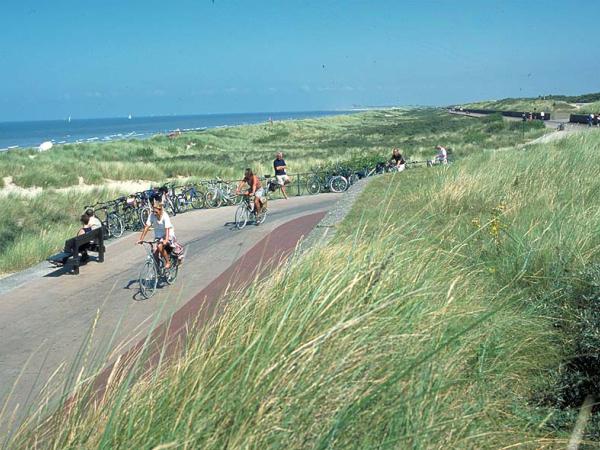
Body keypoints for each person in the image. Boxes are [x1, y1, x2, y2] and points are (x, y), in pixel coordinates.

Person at [137, 203, 175, 270]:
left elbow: (167, 228)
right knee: (154, 252)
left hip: (168, 234)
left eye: (156, 212)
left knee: (160, 246)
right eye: (153, 211)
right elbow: (147, 227)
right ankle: (157, 270)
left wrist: (166, 240)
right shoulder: (152, 215)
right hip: (158, 236)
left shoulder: (165, 216)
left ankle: (168, 262)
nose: (154, 213)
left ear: (160, 210)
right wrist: (141, 239)